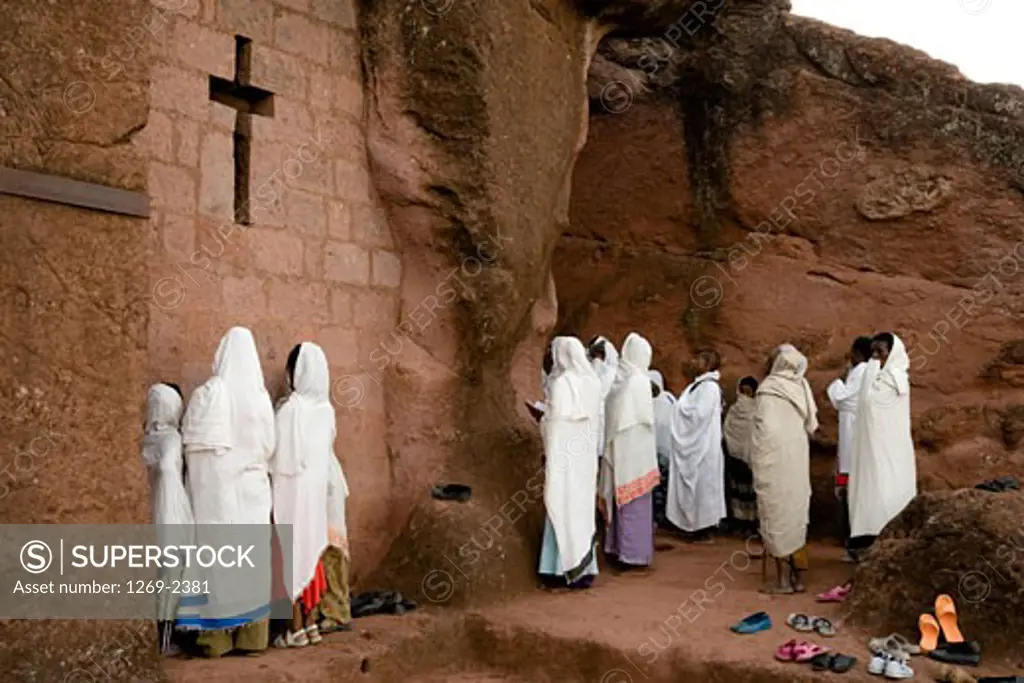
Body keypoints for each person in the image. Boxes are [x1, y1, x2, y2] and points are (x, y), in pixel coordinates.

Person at [177, 326, 276, 657]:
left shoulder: (210, 392)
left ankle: (216, 640)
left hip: (218, 497)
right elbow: (268, 446)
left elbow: (195, 449)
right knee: (253, 565)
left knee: (217, 565)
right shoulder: (260, 398)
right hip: (254, 493)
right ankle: (252, 639)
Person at [270, 343, 335, 648]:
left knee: (290, 555)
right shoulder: (326, 411)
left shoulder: (290, 409)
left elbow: (275, 454)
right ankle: (311, 624)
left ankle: (294, 627)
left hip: (291, 494)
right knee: (311, 553)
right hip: (315, 498)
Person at [749, 345, 819, 594]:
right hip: (797, 461)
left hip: (774, 463)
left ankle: (782, 581)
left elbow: (764, 429)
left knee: (775, 514)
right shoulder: (802, 387)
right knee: (796, 514)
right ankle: (798, 579)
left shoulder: (767, 389)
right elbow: (812, 424)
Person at [538, 337, 603, 589]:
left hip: (564, 460)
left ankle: (556, 569)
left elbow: (554, 425)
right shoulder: (593, 382)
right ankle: (584, 569)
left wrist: (542, 420)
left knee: (560, 505)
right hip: (585, 461)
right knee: (580, 511)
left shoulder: (562, 383)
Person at [848, 332, 917, 558]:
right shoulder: (875, 376)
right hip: (870, 450)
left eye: (881, 352)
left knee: (890, 489)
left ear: (892, 353)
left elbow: (873, 404)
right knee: (871, 490)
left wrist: (870, 373)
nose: (876, 357)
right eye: (873, 352)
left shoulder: (895, 380)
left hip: (892, 449)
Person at [141, 382, 194, 654]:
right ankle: (165, 640)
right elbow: (167, 468)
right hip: (173, 515)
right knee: (172, 578)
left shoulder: (146, 439)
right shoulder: (173, 439)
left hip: (152, 513)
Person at [599, 332, 659, 570]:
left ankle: (618, 549)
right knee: (635, 506)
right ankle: (633, 555)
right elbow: (646, 418)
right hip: (637, 451)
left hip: (620, 448)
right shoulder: (638, 381)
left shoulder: (619, 379)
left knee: (621, 501)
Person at [667, 351, 727, 542]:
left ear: (708, 363)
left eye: (699, 359)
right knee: (699, 489)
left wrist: (678, 409)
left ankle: (705, 528)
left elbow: (699, 415)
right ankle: (691, 525)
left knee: (705, 490)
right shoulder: (697, 385)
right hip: (695, 445)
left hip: (704, 448)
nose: (694, 361)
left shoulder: (710, 388)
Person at [826, 336, 873, 561]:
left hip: (853, 436)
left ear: (859, 354)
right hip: (850, 433)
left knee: (850, 491)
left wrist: (838, 382)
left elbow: (842, 399)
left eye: (853, 353)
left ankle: (854, 544)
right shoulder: (863, 371)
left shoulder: (862, 371)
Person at [310, 448, 353, 633]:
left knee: (331, 554)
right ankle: (333, 610)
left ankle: (336, 614)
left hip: (324, 485)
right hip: (322, 483)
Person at [723, 376, 759, 535]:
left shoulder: (733, 410)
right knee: (751, 492)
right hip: (752, 459)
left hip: (735, 459)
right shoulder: (758, 410)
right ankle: (751, 524)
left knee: (738, 490)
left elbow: (727, 431)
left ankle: (741, 522)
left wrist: (734, 449)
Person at [649, 370, 675, 529]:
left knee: (664, 487)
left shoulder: (667, 401)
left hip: (666, 451)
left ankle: (664, 518)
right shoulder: (649, 402)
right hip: (652, 453)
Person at [588, 336, 619, 462]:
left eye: (600, 356)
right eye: (595, 356)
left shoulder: (615, 375)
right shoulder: (589, 373)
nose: (597, 360)